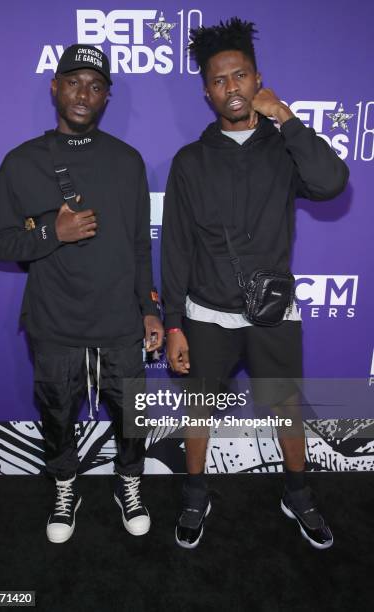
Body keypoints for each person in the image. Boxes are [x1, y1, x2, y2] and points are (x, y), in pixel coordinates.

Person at [161, 19, 348, 550]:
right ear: (206, 92)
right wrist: (174, 323)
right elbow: (175, 246)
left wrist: (286, 118)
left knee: (285, 403)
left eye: (240, 75)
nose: (231, 87)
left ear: (257, 79)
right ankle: (195, 494)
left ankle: (298, 492)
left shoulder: (284, 147)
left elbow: (332, 182)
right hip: (207, 314)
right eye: (219, 80)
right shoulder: (190, 161)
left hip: (273, 312)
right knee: (199, 409)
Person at [0, 44, 164, 543]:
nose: (83, 93)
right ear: (54, 86)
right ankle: (67, 484)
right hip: (54, 323)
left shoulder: (128, 162)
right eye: (74, 81)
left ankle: (129, 482)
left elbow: (137, 245)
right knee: (57, 415)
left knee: (133, 416)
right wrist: (52, 234)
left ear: (107, 96)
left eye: (95, 85)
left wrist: (150, 310)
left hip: (119, 324)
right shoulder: (21, 162)